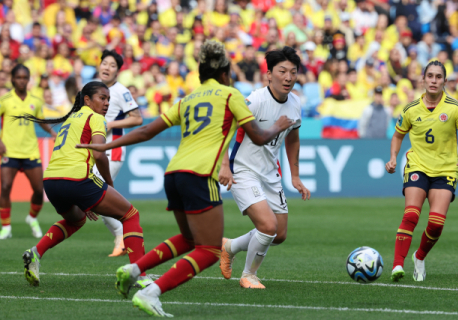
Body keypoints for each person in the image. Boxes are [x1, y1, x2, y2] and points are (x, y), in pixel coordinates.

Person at [77, 41, 294, 317]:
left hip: (174, 174)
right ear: (226, 74)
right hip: (201, 175)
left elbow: (145, 131)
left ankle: (134, 269)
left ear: (201, 75)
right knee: (210, 249)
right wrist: (279, 124)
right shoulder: (231, 96)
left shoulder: (188, 98)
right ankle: (151, 292)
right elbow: (260, 137)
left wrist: (104, 146)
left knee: (190, 238)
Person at [17, 81, 146, 287]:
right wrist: (109, 185)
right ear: (87, 99)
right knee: (130, 215)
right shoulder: (95, 118)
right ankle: (140, 276)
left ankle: (36, 252)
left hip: (51, 182)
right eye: (102, 98)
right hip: (77, 179)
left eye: (108, 100)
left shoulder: (70, 119)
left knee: (76, 220)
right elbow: (99, 154)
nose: (106, 104)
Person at [219, 46, 311, 289]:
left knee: (278, 234)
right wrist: (224, 164)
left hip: (270, 173)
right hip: (243, 170)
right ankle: (248, 275)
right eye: (282, 71)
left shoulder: (295, 103)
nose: (288, 77)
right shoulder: (255, 100)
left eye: (293, 72)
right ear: (269, 74)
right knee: (268, 227)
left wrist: (296, 176)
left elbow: (293, 138)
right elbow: (225, 130)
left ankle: (228, 247)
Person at [386, 60, 458, 282]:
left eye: (438, 77)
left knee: (436, 223)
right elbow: (398, 135)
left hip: (445, 170)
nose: (434, 80)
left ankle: (420, 256)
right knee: (411, 214)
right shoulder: (410, 109)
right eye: (430, 76)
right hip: (418, 166)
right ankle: (397, 265)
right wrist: (393, 158)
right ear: (423, 79)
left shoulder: (454, 107)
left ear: (444, 81)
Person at [95, 49, 143, 258]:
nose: (107, 67)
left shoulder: (122, 91)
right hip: (95, 149)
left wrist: (110, 124)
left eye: (112, 65)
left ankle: (122, 235)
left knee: (95, 195)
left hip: (112, 150)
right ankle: (122, 235)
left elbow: (137, 118)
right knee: (97, 198)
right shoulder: (92, 87)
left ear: (118, 71)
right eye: (105, 63)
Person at [0, 65, 56, 240]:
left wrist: (54, 133)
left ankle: (31, 218)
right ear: (13, 79)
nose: (22, 80)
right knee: (5, 187)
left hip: (31, 151)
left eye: (25, 77)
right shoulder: (5, 99)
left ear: (29, 79)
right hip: (10, 150)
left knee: (39, 190)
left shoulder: (36, 100)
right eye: (19, 77)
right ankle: (6, 227)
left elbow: (41, 121)